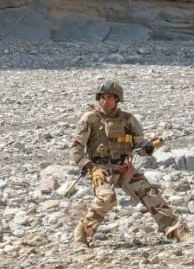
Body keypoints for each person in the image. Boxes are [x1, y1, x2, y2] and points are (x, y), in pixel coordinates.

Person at [69, 80, 186, 245]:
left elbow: (141, 148)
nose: (105, 101)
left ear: (117, 99)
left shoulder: (128, 120)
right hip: (100, 168)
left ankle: (176, 230)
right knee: (107, 198)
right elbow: (76, 148)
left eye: (109, 97)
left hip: (124, 167)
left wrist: (151, 146)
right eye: (102, 97)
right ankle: (82, 233)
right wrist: (91, 167)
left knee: (150, 193)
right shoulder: (90, 119)